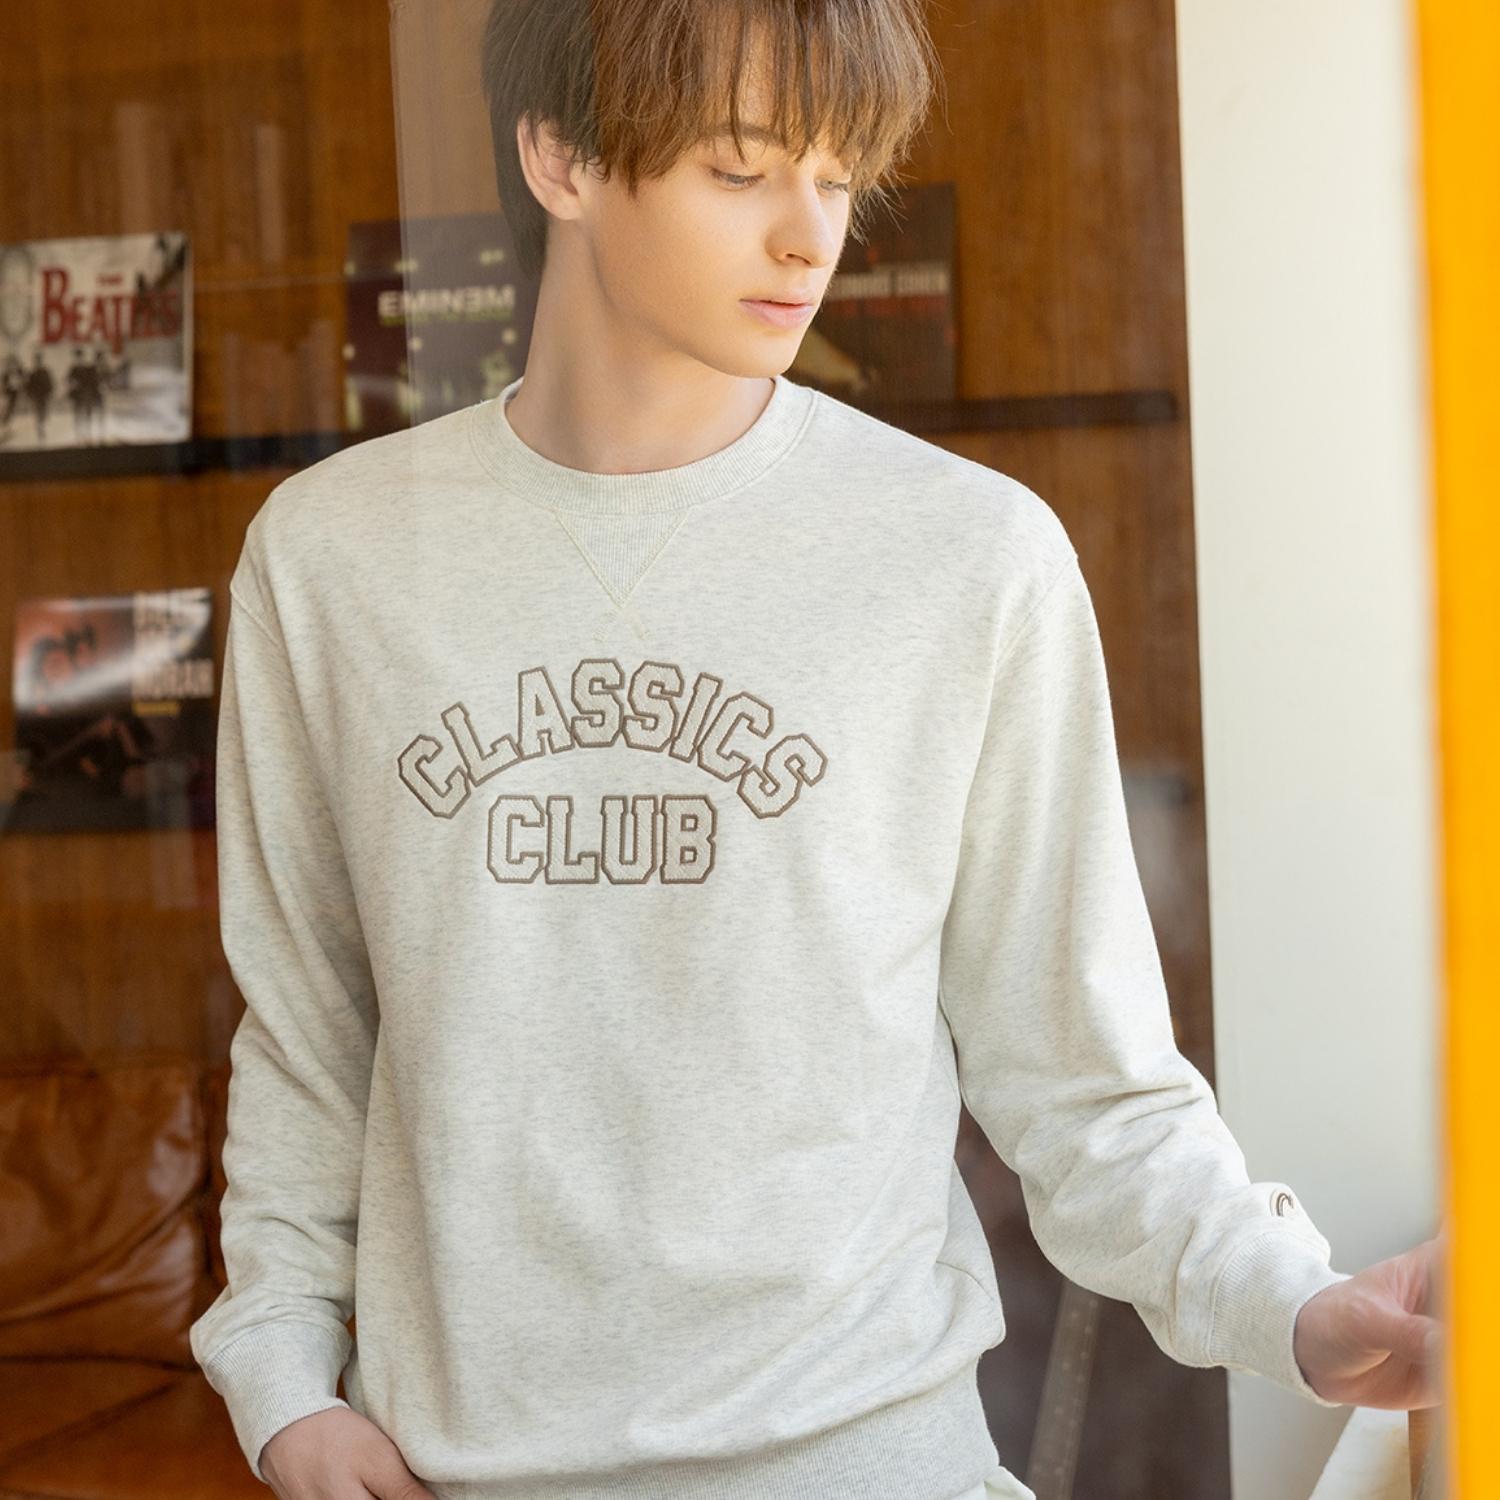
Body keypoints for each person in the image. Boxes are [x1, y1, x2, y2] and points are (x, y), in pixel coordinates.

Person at [188, 2, 1443, 1498]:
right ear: (559, 155)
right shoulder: (332, 561)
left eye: (840, 176)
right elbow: (309, 1038)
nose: (810, 237)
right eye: (740, 170)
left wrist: (1298, 1308)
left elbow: (1086, 1081)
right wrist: (282, 1382)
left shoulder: (967, 560)